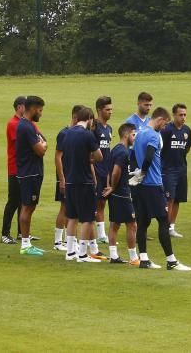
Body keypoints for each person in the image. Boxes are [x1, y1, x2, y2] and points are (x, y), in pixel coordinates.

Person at [130, 107, 191, 270]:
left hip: (141, 186)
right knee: (164, 221)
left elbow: (134, 155)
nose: (164, 127)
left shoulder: (140, 133)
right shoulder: (152, 135)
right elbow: (150, 155)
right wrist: (143, 172)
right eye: (164, 124)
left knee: (142, 222)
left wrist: (137, 174)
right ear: (160, 120)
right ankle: (171, 261)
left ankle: (143, 259)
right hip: (153, 184)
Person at [61, 106, 104, 263]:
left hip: (70, 180)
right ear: (89, 119)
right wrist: (90, 159)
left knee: (72, 216)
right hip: (84, 181)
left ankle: (70, 252)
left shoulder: (68, 133)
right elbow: (99, 156)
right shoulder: (87, 135)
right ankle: (83, 254)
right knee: (87, 219)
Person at [15, 96, 48, 256]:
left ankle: (26, 242)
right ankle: (25, 244)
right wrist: (43, 145)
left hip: (31, 172)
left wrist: (42, 143)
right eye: (40, 110)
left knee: (30, 206)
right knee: (27, 207)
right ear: (34, 109)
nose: (41, 114)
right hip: (29, 173)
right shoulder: (26, 127)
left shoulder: (28, 125)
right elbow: (41, 149)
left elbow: (44, 140)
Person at [103, 122, 139, 265]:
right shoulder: (123, 152)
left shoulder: (115, 149)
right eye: (133, 134)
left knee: (115, 224)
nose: (135, 138)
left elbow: (109, 170)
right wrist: (112, 187)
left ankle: (113, 256)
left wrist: (109, 185)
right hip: (122, 193)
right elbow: (116, 171)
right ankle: (133, 257)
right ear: (126, 134)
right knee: (132, 224)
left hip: (116, 193)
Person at [53, 105, 84, 252]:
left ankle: (68, 239)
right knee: (64, 207)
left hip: (73, 176)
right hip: (66, 176)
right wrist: (62, 179)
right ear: (76, 118)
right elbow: (58, 157)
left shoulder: (75, 133)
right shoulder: (64, 133)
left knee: (72, 208)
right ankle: (58, 241)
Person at [161, 103, 191, 238]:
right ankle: (165, 227)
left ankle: (171, 227)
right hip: (168, 170)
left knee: (178, 199)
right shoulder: (167, 130)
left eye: (185, 115)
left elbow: (187, 147)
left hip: (181, 169)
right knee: (169, 199)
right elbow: (160, 149)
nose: (183, 117)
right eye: (180, 115)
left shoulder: (187, 130)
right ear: (174, 115)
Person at [1, 96, 26, 244]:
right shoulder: (13, 124)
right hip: (15, 168)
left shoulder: (24, 123)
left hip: (24, 168)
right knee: (13, 201)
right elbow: (22, 143)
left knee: (23, 201)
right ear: (19, 107)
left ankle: (21, 232)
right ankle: (5, 233)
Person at [92, 96, 114, 244]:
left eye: (111, 109)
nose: (110, 112)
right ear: (99, 110)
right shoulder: (94, 127)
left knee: (102, 202)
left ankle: (101, 235)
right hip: (95, 169)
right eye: (107, 110)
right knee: (94, 203)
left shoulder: (109, 128)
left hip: (106, 170)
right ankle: (97, 235)